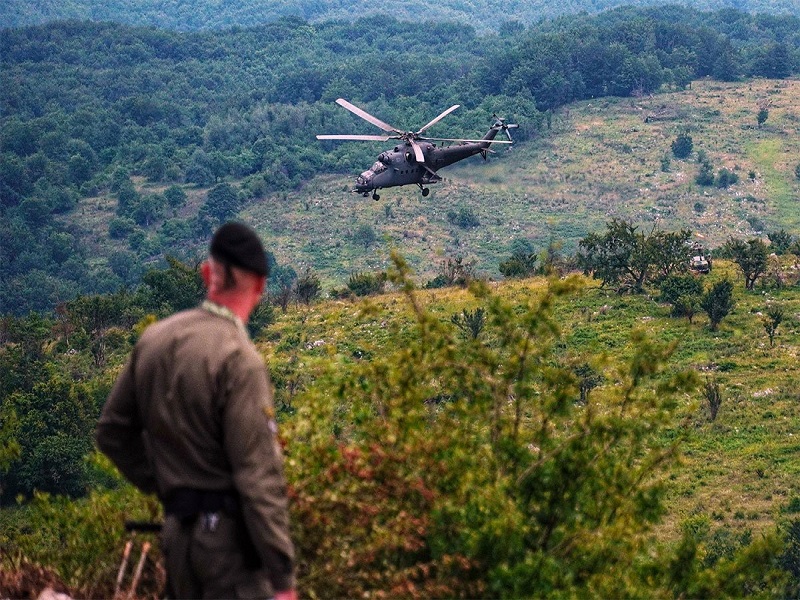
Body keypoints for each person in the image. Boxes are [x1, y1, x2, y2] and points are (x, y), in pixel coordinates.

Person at [96, 221, 296, 600]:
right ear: (260, 286)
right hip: (229, 549)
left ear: (207, 274)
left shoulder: (154, 340)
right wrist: (282, 577)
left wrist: (165, 484)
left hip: (177, 537)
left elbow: (112, 432)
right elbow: (257, 476)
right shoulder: (240, 359)